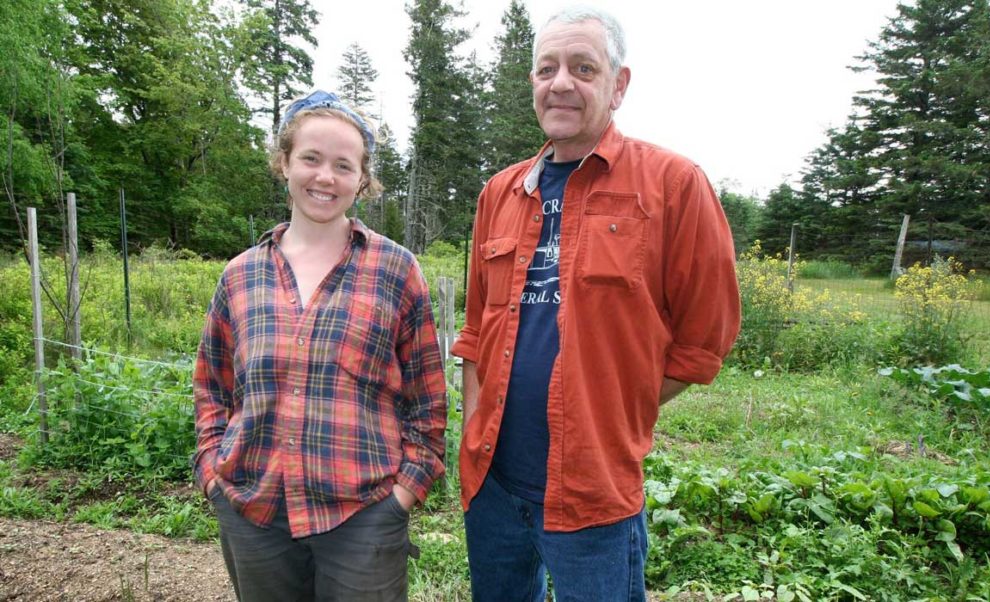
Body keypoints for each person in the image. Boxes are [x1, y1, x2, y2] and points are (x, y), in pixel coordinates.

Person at [450, 6, 741, 601]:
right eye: (546, 68)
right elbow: (477, 331)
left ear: (618, 84)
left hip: (594, 492)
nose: (561, 82)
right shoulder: (499, 193)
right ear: (532, 82)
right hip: (494, 488)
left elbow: (703, 342)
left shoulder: (673, 185)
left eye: (583, 67)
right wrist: (472, 434)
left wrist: (609, 411)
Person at [192, 90, 447, 602]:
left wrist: (402, 495)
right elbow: (211, 388)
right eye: (311, 158)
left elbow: (428, 401)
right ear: (284, 162)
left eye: (343, 165)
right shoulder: (240, 276)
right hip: (254, 512)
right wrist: (212, 475)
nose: (325, 177)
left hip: (364, 516)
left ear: (362, 180)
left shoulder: (397, 271)